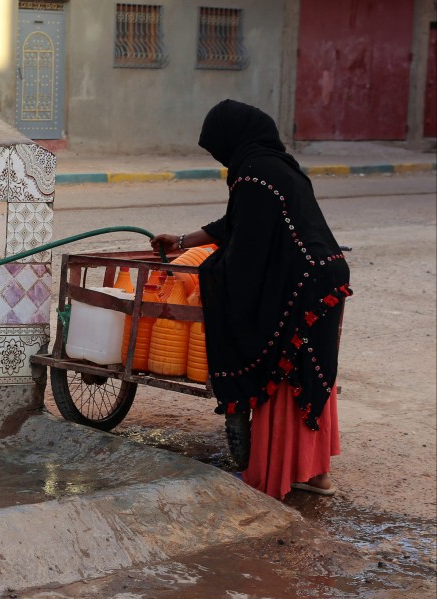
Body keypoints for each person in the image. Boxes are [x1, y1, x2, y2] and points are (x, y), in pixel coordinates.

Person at [150, 99, 351, 500]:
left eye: (217, 149)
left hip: (301, 283)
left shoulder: (254, 175)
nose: (220, 158)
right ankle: (315, 475)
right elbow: (239, 223)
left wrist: (210, 274)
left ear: (232, 140)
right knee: (310, 370)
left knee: (282, 370)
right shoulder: (276, 166)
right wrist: (184, 241)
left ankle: (273, 476)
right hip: (323, 277)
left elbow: (247, 251)